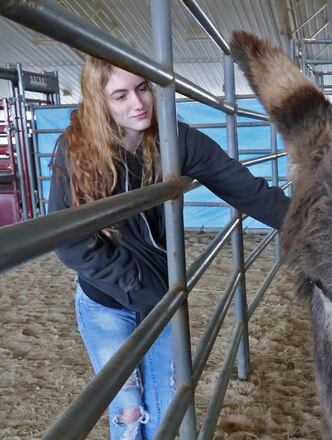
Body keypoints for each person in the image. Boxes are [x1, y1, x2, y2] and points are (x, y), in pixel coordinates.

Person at [48, 56, 290, 440]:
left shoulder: (173, 141)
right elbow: (71, 243)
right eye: (120, 95)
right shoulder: (74, 149)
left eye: (143, 88)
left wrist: (314, 224)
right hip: (105, 303)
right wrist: (138, 287)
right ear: (100, 102)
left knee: (163, 413)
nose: (138, 103)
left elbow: (246, 190)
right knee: (128, 414)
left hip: (160, 301)